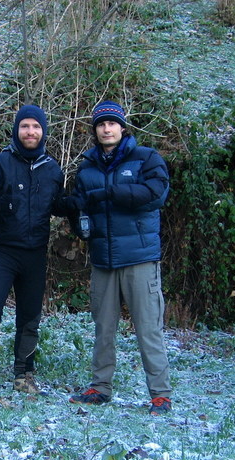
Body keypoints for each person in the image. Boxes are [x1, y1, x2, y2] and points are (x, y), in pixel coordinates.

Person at [67, 100, 173, 415]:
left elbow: (155, 195)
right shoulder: (86, 167)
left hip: (140, 259)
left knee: (148, 327)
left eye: (112, 123)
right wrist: (77, 221)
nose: (107, 128)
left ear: (122, 127)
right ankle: (100, 388)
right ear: (95, 130)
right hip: (103, 259)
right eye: (101, 124)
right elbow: (81, 207)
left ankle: (160, 395)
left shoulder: (146, 159)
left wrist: (112, 193)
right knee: (103, 327)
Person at [0, 104, 66, 400]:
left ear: (43, 131)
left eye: (36, 127)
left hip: (34, 255)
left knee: (30, 317)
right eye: (25, 126)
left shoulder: (52, 169)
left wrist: (74, 207)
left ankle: (24, 375)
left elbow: (56, 204)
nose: (30, 132)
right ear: (16, 130)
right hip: (2, 253)